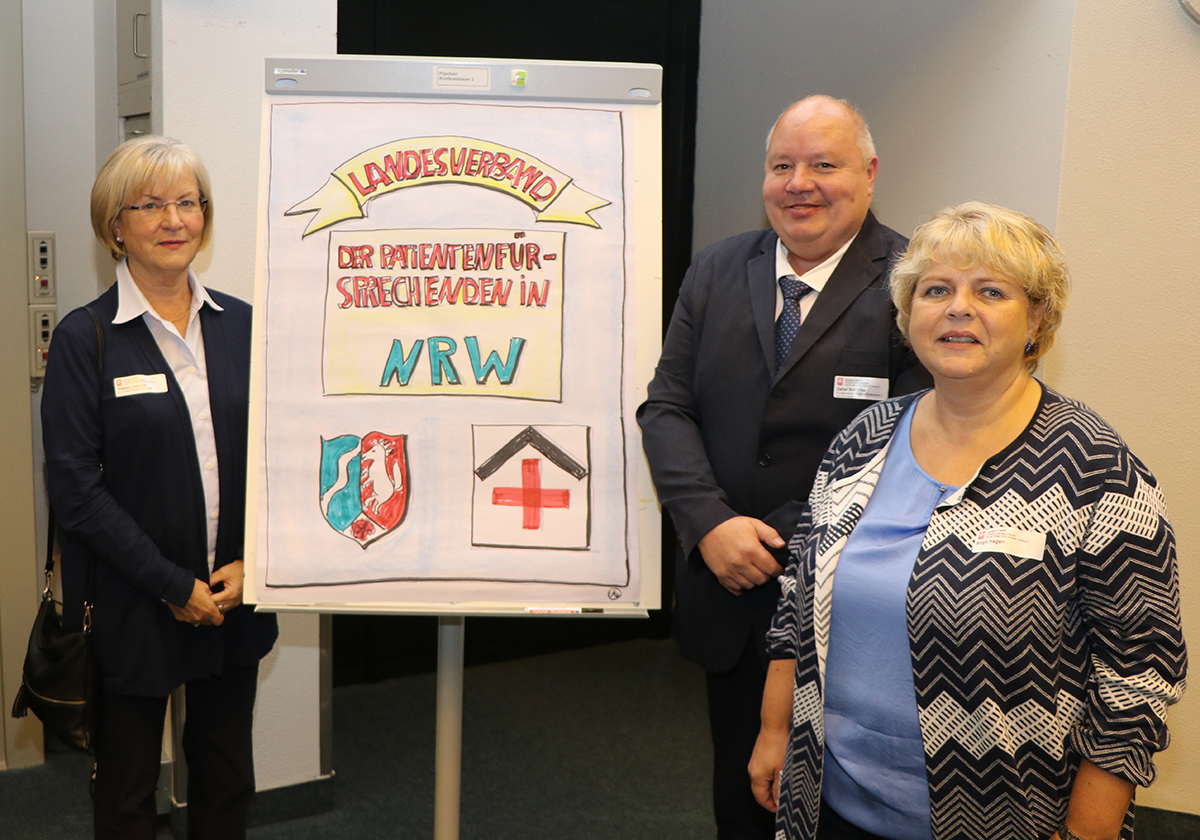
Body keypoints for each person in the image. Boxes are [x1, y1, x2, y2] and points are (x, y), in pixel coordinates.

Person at [748, 202, 1187, 840]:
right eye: (936, 290)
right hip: (829, 800)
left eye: (990, 292)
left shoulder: (1094, 466)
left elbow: (1138, 675)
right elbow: (796, 600)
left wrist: (1087, 833)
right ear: (908, 316)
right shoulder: (863, 437)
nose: (958, 308)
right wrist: (774, 730)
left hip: (1004, 817)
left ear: (1036, 319)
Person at [637, 96, 930, 838]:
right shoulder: (716, 268)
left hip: (849, 600)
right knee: (741, 798)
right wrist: (710, 525)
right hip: (729, 589)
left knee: (841, 810)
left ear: (869, 173)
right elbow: (667, 408)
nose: (800, 183)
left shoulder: (915, 281)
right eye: (782, 166)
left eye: (824, 165)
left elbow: (917, 440)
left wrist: (788, 540)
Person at [42, 135, 278, 839]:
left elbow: (280, 458)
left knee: (226, 782)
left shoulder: (244, 325)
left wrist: (258, 562)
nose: (174, 220)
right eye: (150, 205)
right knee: (126, 796)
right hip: (131, 604)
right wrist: (171, 584)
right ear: (114, 225)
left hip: (231, 597)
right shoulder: (86, 339)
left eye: (187, 202)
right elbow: (75, 489)